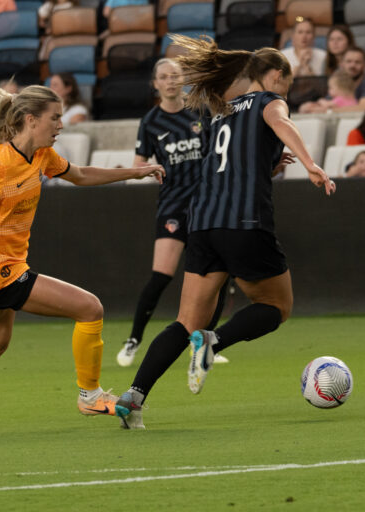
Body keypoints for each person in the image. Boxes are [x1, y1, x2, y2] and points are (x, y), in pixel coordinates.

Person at [0, 62, 165, 432]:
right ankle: (91, 396)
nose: (60, 125)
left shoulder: (41, 156)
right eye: (55, 117)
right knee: (89, 308)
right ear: (31, 120)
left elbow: (79, 175)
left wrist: (135, 171)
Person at [113, 35, 335, 430]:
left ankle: (134, 397)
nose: (287, 89)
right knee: (276, 308)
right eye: (287, 81)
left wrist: (272, 166)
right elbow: (282, 121)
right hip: (245, 222)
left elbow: (233, 167)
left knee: (184, 322)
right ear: (275, 75)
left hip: (203, 224)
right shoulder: (269, 100)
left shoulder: (222, 112)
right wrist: (311, 163)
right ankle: (214, 342)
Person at [116, 58, 228, 367]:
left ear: (184, 80)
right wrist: (148, 169)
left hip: (207, 205)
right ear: (155, 84)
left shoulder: (201, 111)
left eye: (175, 76)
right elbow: (139, 163)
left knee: (214, 276)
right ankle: (133, 340)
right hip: (172, 206)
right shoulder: (151, 121)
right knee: (161, 275)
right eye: (164, 77)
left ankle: (205, 343)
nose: (170, 81)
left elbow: (220, 148)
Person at [329, 47, 365, 112]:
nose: (352, 65)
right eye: (349, 61)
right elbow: (327, 103)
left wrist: (329, 111)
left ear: (364, 66)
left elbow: (363, 108)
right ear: (342, 64)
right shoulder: (337, 84)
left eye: (357, 62)